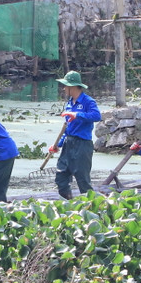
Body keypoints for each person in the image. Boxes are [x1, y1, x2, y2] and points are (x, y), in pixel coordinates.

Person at [49, 71, 100, 199]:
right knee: (61, 176)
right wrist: (57, 144)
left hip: (82, 145)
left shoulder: (88, 101)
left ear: (73, 87)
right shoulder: (69, 103)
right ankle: (69, 202)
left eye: (65, 86)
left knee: (82, 179)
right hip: (68, 143)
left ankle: (91, 204)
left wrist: (77, 115)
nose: (64, 88)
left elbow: (96, 116)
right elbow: (67, 128)